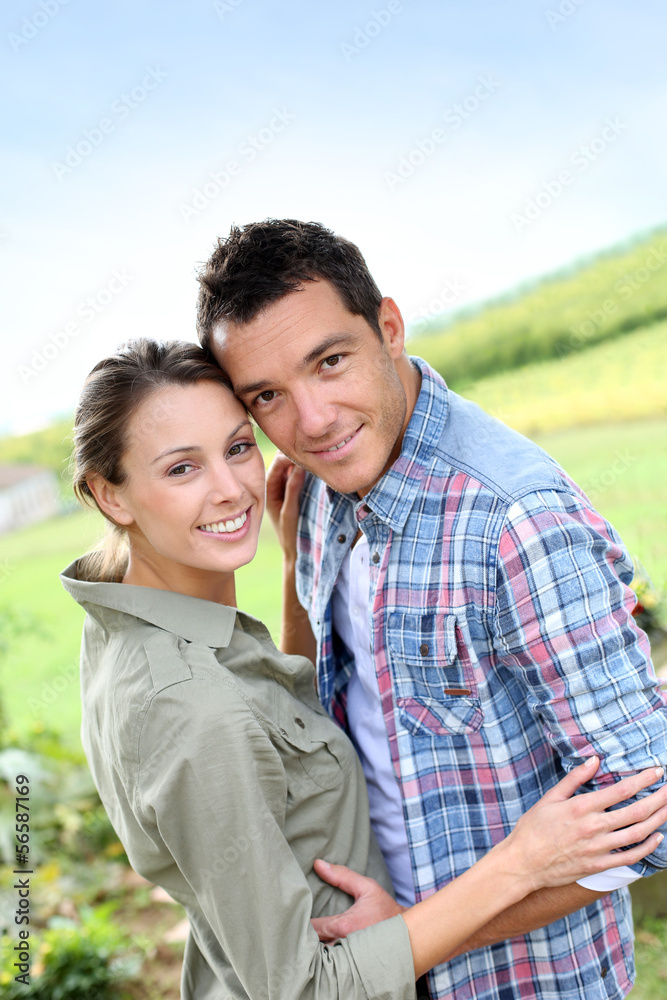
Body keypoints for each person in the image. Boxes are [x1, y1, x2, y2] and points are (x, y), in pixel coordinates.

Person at [60, 339, 667, 1000]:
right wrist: (518, 865)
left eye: (237, 447)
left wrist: (296, 572)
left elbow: (280, 748)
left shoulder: (132, 624)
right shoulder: (189, 705)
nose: (231, 487)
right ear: (109, 494)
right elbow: (302, 988)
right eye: (182, 469)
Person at [196, 219, 667, 1000]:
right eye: (268, 396)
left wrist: (410, 936)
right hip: (371, 955)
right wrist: (292, 571)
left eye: (330, 361)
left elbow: (647, 814)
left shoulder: (516, 522)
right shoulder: (316, 483)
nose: (310, 420)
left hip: (521, 979)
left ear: (387, 327)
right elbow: (324, 713)